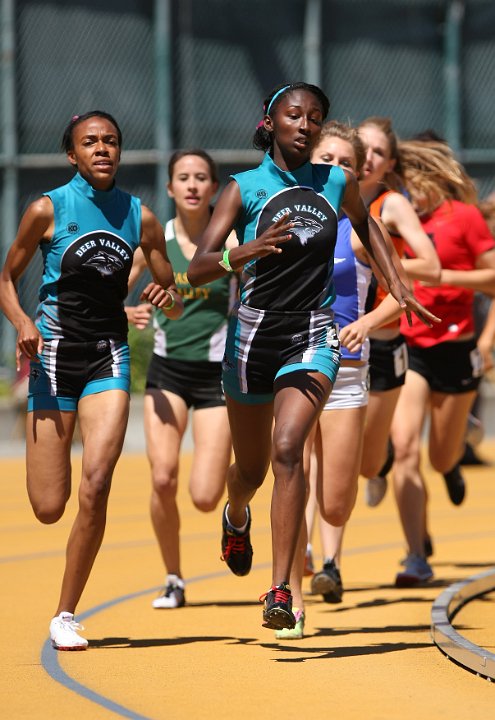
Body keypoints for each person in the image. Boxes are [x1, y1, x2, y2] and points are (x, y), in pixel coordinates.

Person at [187, 82, 437, 631]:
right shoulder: (243, 187)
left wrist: (398, 286)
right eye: (294, 115)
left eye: (314, 117)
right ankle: (236, 517)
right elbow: (199, 266)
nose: (304, 124)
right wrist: (241, 252)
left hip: (313, 333)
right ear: (270, 120)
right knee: (249, 471)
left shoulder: (336, 181)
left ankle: (279, 590)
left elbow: (368, 224)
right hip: (251, 339)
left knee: (287, 447)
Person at [0, 111, 183, 650]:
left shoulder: (141, 216)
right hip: (54, 358)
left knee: (97, 482)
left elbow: (170, 295)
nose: (102, 149)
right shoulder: (47, 209)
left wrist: (162, 296)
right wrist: (22, 322)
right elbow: (7, 277)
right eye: (91, 142)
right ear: (72, 154)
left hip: (108, 357)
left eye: (111, 142)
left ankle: (65, 613)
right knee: (48, 506)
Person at [281, 119, 413, 637]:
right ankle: (289, 599)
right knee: (291, 473)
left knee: (335, 501)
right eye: (327, 161)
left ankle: (320, 549)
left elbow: (402, 299)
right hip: (293, 365)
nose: (336, 171)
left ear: (359, 176)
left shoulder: (362, 232)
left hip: (348, 370)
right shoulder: (283, 217)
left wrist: (365, 321)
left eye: (346, 165)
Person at [126, 149, 237, 609]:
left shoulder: (230, 240)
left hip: (217, 377)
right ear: (170, 188)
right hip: (168, 373)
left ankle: (237, 514)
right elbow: (109, 290)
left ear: (214, 188)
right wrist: (125, 310)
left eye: (201, 178)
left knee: (206, 497)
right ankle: (173, 577)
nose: (192, 185)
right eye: (183, 178)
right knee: (164, 477)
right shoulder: (156, 239)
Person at [390, 139, 495, 587]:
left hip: (457, 346)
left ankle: (452, 461)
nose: (408, 192)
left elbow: (493, 277)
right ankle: (417, 550)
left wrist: (436, 273)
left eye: (412, 181)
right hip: (409, 344)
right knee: (405, 448)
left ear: (430, 176)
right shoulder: (391, 216)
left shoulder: (464, 218)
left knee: (440, 454)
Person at [356, 117, 442, 508]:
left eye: (379, 152)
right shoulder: (325, 198)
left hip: (382, 338)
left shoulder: (390, 205)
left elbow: (432, 266)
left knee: (367, 462)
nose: (368, 158)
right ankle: (315, 554)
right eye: (363, 148)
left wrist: (382, 260)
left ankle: (382, 459)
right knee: (313, 448)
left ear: (390, 163)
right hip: (333, 335)